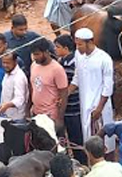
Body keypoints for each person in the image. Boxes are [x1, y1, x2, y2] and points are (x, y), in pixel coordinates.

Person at [71, 28, 116, 154]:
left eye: (80, 44)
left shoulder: (104, 58)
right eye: (76, 44)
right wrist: (66, 93)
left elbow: (108, 87)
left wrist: (99, 108)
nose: (78, 47)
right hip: (85, 105)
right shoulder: (78, 55)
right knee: (89, 143)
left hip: (99, 106)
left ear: (90, 42)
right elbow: (77, 77)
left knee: (104, 143)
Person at [55, 35, 84, 163]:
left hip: (73, 106)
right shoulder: (62, 61)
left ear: (66, 48)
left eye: (58, 47)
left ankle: (80, 161)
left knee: (75, 137)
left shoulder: (71, 64)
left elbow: (69, 85)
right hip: (66, 107)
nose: (55, 49)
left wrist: (63, 96)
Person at [30, 39, 69, 122]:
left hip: (50, 115)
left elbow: (64, 95)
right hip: (36, 113)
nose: (35, 57)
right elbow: (32, 88)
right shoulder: (33, 65)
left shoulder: (57, 69)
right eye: (33, 54)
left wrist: (59, 119)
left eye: (37, 54)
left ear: (46, 52)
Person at [0, 52, 28, 120]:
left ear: (15, 61)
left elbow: (20, 99)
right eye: (3, 62)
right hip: (6, 114)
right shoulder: (8, 72)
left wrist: (7, 105)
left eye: (8, 63)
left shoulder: (19, 77)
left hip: (16, 117)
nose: (5, 65)